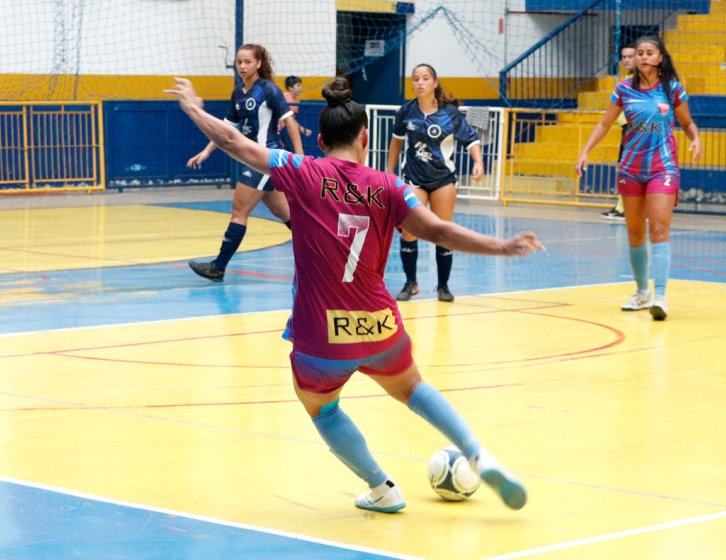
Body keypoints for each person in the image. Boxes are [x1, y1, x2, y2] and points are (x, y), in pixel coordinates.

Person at [165, 75, 544, 513]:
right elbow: (438, 230)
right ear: (366, 137)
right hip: (381, 325)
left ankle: (381, 489)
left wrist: (194, 109)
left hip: (321, 335)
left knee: (323, 409)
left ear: (321, 139)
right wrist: (502, 245)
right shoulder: (390, 186)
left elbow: (235, 141)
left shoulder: (302, 171)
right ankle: (477, 452)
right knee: (414, 388)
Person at [576, 35, 703, 320]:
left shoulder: (673, 90)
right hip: (630, 169)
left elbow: (687, 122)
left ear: (660, 58)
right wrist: (585, 151)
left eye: (649, 53)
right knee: (634, 233)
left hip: (663, 167)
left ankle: (660, 296)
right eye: (639, 53)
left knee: (658, 228)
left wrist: (696, 138)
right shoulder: (623, 90)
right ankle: (641, 292)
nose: (643, 57)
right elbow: (605, 123)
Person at [186, 44, 303, 282]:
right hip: (256, 160)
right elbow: (226, 129)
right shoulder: (238, 93)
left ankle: (217, 267)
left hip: (267, 157)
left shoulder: (268, 89)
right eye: (239, 62)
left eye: (247, 62)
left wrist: (299, 158)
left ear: (259, 63)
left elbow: (290, 122)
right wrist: (207, 151)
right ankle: (323, 256)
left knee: (239, 211)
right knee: (290, 217)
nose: (242, 66)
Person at [386, 63, 485, 303]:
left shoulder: (449, 113)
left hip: (442, 180)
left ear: (434, 83)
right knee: (409, 230)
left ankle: (443, 286)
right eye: (416, 79)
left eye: (425, 78)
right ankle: (411, 283)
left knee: (443, 232)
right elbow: (397, 142)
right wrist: (389, 173)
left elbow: (471, 140)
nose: (420, 82)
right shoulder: (406, 111)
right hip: (414, 178)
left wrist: (478, 162)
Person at [601, 44, 637, 221]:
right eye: (624, 57)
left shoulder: (641, 81)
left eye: (631, 56)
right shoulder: (626, 80)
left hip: (636, 131)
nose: (627, 60)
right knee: (624, 168)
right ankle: (621, 206)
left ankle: (632, 209)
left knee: (633, 170)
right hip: (627, 129)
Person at [279, 76, 312, 152]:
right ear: (290, 88)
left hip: (285, 129)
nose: (301, 87)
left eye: (301, 85)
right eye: (298, 85)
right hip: (279, 130)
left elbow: (292, 120)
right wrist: (303, 129)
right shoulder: (286, 98)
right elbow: (289, 119)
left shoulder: (296, 101)